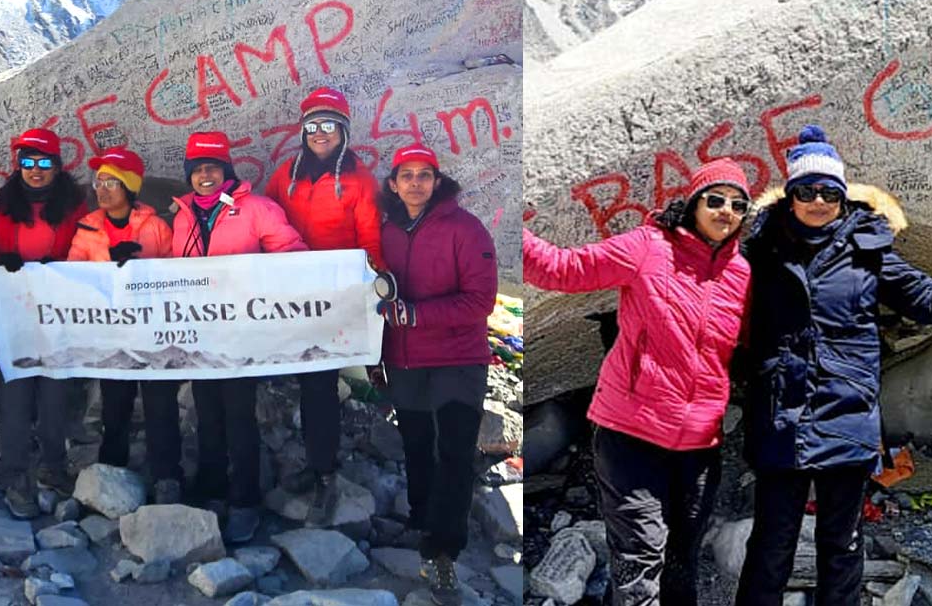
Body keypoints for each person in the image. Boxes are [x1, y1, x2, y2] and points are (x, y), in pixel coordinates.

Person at [734, 126, 932, 605]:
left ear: (842, 194)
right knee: (770, 547)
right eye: (806, 190)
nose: (818, 200)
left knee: (842, 546)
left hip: (845, 418)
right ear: (790, 195)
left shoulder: (868, 251)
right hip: (779, 420)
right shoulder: (759, 253)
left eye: (829, 190)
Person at [524, 159, 754, 606]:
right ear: (693, 203)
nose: (726, 210)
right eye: (715, 199)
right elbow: (563, 270)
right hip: (631, 435)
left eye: (738, 204)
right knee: (640, 562)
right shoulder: (649, 246)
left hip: (699, 445)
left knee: (682, 561)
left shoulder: (741, 274)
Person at [171, 131, 307, 542]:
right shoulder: (182, 214)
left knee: (239, 414)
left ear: (227, 170)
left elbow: (292, 251)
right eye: (197, 170)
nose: (205, 176)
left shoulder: (258, 208)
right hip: (200, 333)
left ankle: (245, 498)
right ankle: (212, 486)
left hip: (242, 333)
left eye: (213, 168)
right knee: (206, 412)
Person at [377, 144, 497, 606]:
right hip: (404, 358)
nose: (414, 183)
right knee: (415, 445)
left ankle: (445, 547)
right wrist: (375, 351)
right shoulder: (384, 230)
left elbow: (480, 302)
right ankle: (421, 518)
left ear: (436, 180)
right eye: (405, 175)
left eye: (423, 175)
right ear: (392, 183)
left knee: (454, 452)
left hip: (457, 359)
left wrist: (415, 316)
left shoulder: (465, 229)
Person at [265, 86, 387, 526]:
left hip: (335, 300)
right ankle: (314, 465)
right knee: (304, 380)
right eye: (312, 126)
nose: (320, 134)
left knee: (319, 385)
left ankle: (324, 474)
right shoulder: (285, 174)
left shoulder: (360, 181)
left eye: (329, 126)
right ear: (303, 131)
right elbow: (268, 222)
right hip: (292, 296)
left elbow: (371, 241)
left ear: (344, 131)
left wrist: (372, 292)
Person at [66, 145, 184, 504]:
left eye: (111, 183)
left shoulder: (155, 226)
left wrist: (140, 263)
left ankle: (167, 474)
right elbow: (72, 277)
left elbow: (176, 271)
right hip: (112, 333)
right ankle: (112, 470)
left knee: (160, 404)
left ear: (130, 188)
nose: (102, 190)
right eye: (99, 182)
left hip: (153, 333)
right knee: (115, 404)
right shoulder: (87, 230)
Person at [0, 127, 89, 518]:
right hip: (15, 311)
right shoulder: (4, 202)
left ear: (57, 166)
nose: (35, 170)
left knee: (55, 393)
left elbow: (84, 247)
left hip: (58, 312)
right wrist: (2, 264)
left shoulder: (74, 202)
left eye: (44, 162)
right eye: (27, 162)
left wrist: (60, 269)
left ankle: (53, 464)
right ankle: (15, 474)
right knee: (15, 392)